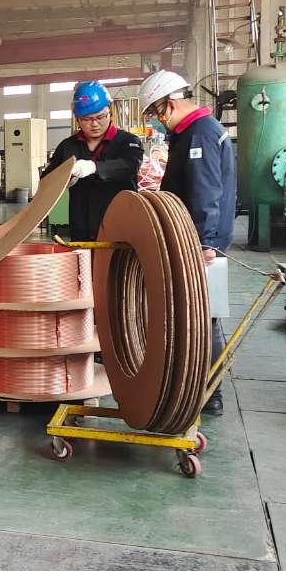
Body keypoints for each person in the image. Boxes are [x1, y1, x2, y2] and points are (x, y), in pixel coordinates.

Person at [139, 68, 237, 415]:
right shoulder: (188, 134)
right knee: (191, 315)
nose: (157, 120)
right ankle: (194, 386)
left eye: (156, 112)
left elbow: (206, 193)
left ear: (170, 103)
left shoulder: (200, 134)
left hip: (201, 245)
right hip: (192, 240)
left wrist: (205, 243)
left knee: (205, 318)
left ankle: (211, 395)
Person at [44, 81, 143, 241]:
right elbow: (46, 180)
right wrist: (63, 179)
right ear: (77, 119)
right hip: (81, 228)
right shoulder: (68, 146)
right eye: (87, 119)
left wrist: (94, 167)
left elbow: (130, 166)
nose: (95, 124)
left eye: (100, 117)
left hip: (119, 227)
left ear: (110, 112)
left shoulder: (127, 141)